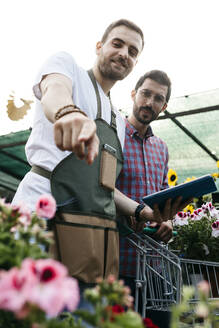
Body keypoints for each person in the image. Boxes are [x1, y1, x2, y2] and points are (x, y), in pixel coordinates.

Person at [12, 20, 181, 295]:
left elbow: (103, 186)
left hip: (85, 232)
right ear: (99, 46)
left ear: (134, 63)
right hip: (40, 214)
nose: (124, 53)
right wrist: (68, 112)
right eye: (117, 43)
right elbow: (54, 91)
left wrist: (143, 211)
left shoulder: (117, 120)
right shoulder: (68, 68)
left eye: (132, 51)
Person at [116, 70, 187, 300]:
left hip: (154, 263)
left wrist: (166, 220)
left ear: (164, 106)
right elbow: (101, 188)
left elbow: (164, 195)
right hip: (118, 260)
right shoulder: (114, 137)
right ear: (133, 94)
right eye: (145, 94)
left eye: (158, 98)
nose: (149, 102)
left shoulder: (161, 148)